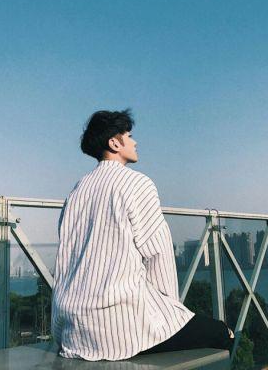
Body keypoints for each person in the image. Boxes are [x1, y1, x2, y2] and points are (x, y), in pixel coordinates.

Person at [51, 109, 234, 361]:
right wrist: (171, 311)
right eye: (129, 136)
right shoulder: (137, 183)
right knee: (222, 333)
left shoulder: (76, 192)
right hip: (121, 327)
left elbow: (66, 258)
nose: (135, 142)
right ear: (114, 143)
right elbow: (158, 254)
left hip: (72, 330)